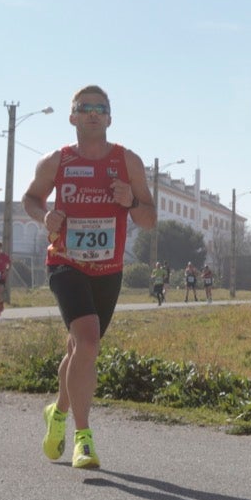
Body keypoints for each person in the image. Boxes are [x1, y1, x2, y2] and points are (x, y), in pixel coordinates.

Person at [22, 85, 156, 471]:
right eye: (85, 108)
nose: (93, 113)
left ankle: (57, 412)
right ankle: (83, 438)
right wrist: (43, 217)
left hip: (108, 269)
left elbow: (149, 219)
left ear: (110, 118)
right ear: (73, 117)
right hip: (65, 262)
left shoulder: (127, 162)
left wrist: (130, 201)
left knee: (78, 350)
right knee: (89, 340)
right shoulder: (56, 161)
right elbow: (30, 198)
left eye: (101, 108)